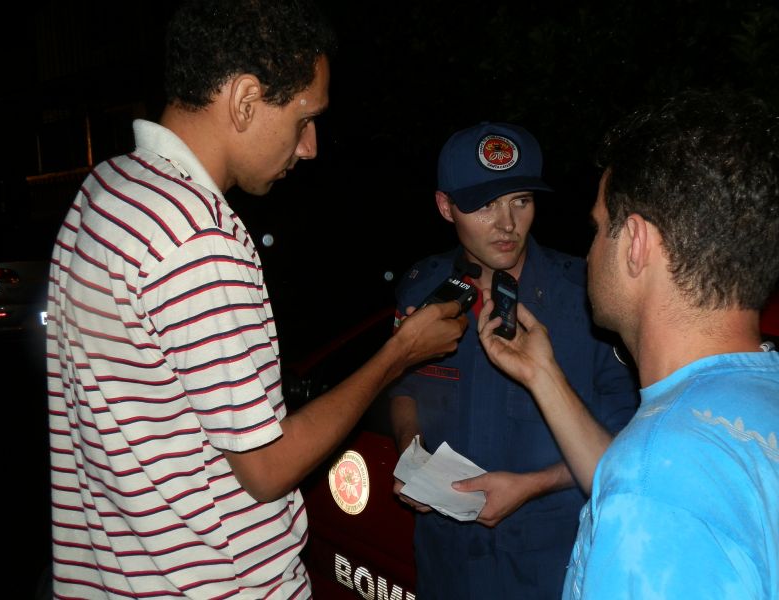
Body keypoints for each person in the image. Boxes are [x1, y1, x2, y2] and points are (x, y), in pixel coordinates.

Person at [45, 1, 467, 598]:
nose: (310, 146)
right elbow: (267, 468)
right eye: (304, 118)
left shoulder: (107, 189)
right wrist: (398, 354)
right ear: (245, 99)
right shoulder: (197, 237)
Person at [476, 89, 779, 598]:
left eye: (598, 229)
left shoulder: (653, 489)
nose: (590, 253)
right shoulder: (755, 395)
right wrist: (542, 375)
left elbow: (649, 487)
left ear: (635, 244)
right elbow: (640, 475)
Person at [388, 122, 640, 599]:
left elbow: (628, 441)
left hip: (550, 561)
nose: (507, 224)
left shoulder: (589, 298)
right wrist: (409, 450)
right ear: (445, 206)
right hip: (447, 558)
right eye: (485, 205)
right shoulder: (422, 291)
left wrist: (535, 484)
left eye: (520, 201)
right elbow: (406, 387)